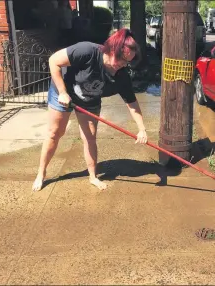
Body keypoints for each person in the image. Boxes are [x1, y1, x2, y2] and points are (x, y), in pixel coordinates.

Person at [32, 28, 148, 192]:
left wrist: (142, 129)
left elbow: (132, 104)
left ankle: (93, 176)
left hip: (89, 100)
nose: (123, 64)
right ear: (113, 49)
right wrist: (63, 92)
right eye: (122, 59)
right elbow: (53, 61)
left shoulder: (121, 76)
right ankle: (41, 173)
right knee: (55, 133)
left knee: (89, 137)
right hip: (63, 91)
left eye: (128, 61)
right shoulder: (87, 51)